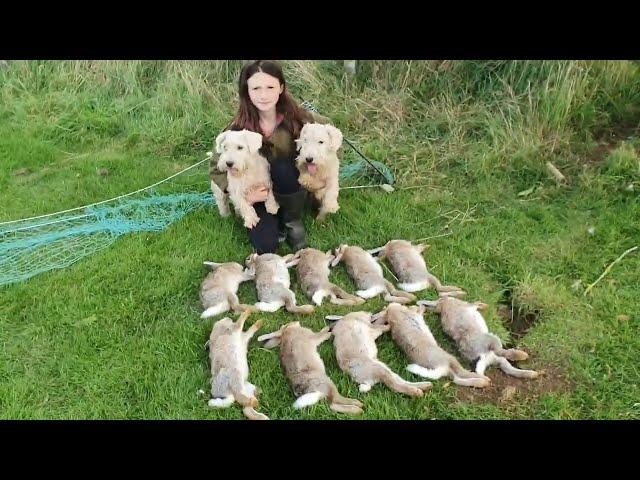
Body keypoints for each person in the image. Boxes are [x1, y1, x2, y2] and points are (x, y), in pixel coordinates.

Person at [209, 60, 330, 254]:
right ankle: (272, 222)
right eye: (256, 88)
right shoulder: (236, 129)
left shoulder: (301, 119)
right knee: (266, 245)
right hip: (259, 193)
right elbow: (216, 169)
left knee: (282, 166)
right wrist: (241, 194)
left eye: (270, 87)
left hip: (292, 188)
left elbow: (331, 140)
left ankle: (292, 222)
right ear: (246, 91)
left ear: (281, 88)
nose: (263, 95)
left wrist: (323, 174)